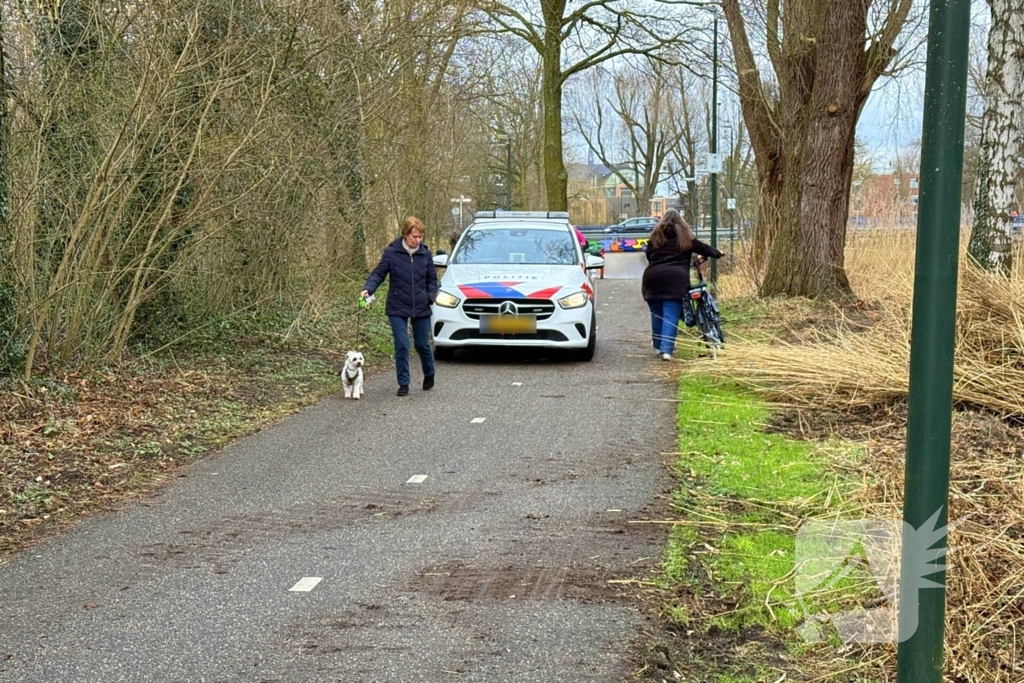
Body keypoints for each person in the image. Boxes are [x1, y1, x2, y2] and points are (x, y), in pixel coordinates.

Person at [362, 217, 439, 396]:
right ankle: (403, 383)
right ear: (405, 235)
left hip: (421, 305)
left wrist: (431, 296)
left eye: (420, 237)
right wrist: (368, 289)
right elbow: (378, 274)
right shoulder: (391, 253)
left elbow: (432, 280)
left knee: (422, 345)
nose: (417, 240)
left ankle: (429, 372)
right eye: (414, 236)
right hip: (397, 304)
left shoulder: (426, 254)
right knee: (402, 344)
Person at [641, 209, 723, 361]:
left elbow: (649, 255)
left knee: (657, 314)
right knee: (670, 315)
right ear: (681, 221)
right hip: (675, 280)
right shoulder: (685, 237)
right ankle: (667, 351)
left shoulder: (655, 236)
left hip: (652, 279)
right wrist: (718, 253)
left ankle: (658, 346)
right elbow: (703, 248)